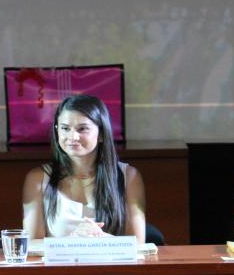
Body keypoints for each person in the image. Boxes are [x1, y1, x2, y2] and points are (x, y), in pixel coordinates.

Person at [21, 94, 146, 243]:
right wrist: (74, 240)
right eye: (65, 128)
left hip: (111, 266)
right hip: (60, 266)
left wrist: (99, 238)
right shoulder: (38, 178)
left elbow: (138, 244)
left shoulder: (129, 176)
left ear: (101, 134)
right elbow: (32, 245)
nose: (72, 136)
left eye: (82, 129)